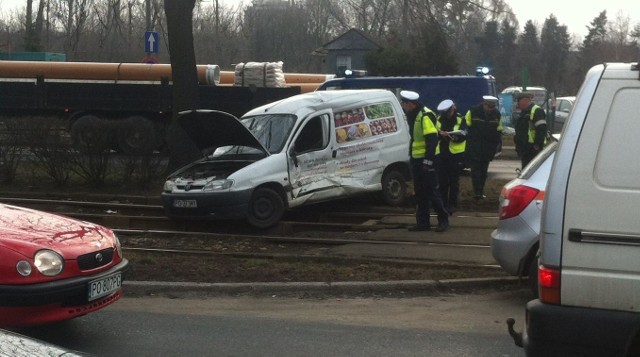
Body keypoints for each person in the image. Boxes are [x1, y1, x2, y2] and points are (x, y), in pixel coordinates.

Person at [400, 90, 449, 232]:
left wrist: (428, 161)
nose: (403, 107)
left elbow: (432, 140)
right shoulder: (413, 114)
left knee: (432, 191)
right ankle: (423, 223)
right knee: (420, 192)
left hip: (428, 159)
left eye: (404, 104)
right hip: (417, 159)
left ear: (410, 104)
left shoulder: (424, 115)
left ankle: (443, 219)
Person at [464, 95, 503, 200]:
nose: (491, 109)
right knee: (475, 171)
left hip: (487, 148)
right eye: (489, 106)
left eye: (493, 107)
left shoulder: (497, 114)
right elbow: (465, 128)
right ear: (484, 104)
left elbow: (498, 131)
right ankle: (477, 192)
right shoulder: (473, 112)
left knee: (484, 172)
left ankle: (480, 191)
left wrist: (495, 146)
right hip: (475, 147)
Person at [436, 99, 467, 215]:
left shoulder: (460, 119)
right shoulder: (439, 119)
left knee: (454, 181)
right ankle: (443, 203)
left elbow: (463, 135)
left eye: (448, 112)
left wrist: (450, 136)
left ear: (453, 109)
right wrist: (440, 134)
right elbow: (434, 132)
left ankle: (452, 204)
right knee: (442, 181)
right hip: (442, 154)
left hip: (455, 155)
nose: (446, 115)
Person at [514, 91, 547, 168]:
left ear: (525, 100)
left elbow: (541, 129)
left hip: (532, 149)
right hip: (525, 149)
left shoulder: (536, 111)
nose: (517, 104)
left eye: (518, 101)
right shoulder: (524, 112)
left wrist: (537, 145)